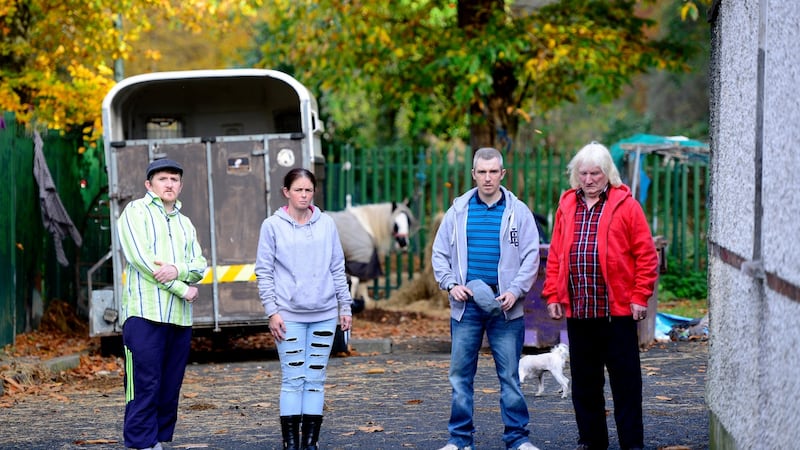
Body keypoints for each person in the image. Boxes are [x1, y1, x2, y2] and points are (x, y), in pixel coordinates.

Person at [542, 142, 659, 450]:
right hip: (579, 313)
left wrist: (639, 296)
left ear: (608, 174)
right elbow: (556, 254)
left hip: (616, 313)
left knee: (626, 386)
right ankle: (592, 443)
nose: (589, 179)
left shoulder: (626, 205)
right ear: (575, 175)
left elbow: (646, 256)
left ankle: (631, 444)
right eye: (583, 173)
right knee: (584, 386)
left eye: (595, 173)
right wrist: (553, 293)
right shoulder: (567, 204)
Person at [432, 147, 541, 450]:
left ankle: (517, 440)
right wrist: (451, 284)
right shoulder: (458, 211)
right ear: (473, 174)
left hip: (506, 307)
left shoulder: (517, 212)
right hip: (466, 306)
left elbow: (531, 256)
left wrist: (515, 290)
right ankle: (460, 440)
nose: (488, 178)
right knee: (460, 377)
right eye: (482, 172)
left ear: (503, 174)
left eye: (494, 172)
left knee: (509, 376)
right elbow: (439, 253)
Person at [255, 168, 353, 450]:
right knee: (293, 378)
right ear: (286, 192)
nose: (303, 195)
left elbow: (337, 267)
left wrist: (344, 306)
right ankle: (290, 443)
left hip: (324, 314)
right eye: (298, 190)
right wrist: (272, 311)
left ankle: (310, 443)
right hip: (288, 317)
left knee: (315, 379)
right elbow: (264, 271)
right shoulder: (272, 226)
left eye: (308, 190)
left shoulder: (326, 224)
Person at [116, 158, 208, 450]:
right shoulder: (135, 211)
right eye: (163, 179)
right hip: (144, 314)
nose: (169, 184)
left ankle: (157, 440)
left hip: (179, 319)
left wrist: (177, 270)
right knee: (144, 383)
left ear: (180, 185)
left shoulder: (185, 222)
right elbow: (141, 260)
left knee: (169, 387)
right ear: (149, 184)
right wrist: (182, 287)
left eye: (174, 179)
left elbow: (199, 265)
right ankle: (140, 442)